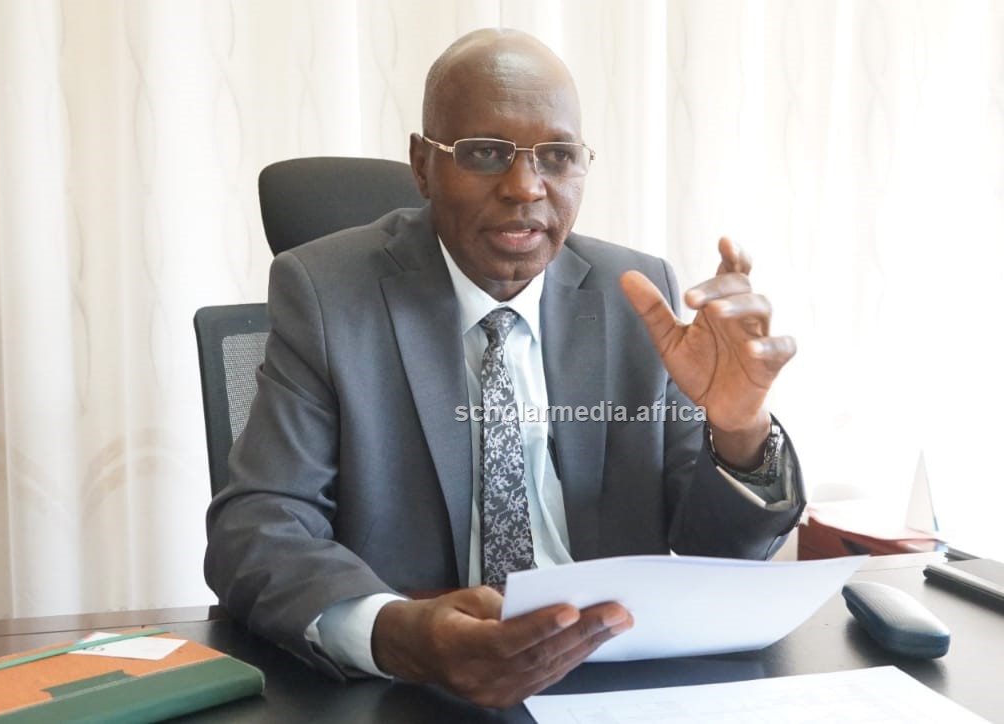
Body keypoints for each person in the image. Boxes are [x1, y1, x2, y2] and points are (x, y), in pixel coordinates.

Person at [205, 28, 804, 708]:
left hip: (611, 676)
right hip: (415, 685)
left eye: (558, 155)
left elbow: (714, 556)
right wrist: (401, 634)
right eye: (486, 154)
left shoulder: (635, 294)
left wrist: (739, 430)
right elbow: (257, 528)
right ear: (423, 165)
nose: (526, 187)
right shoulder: (327, 293)